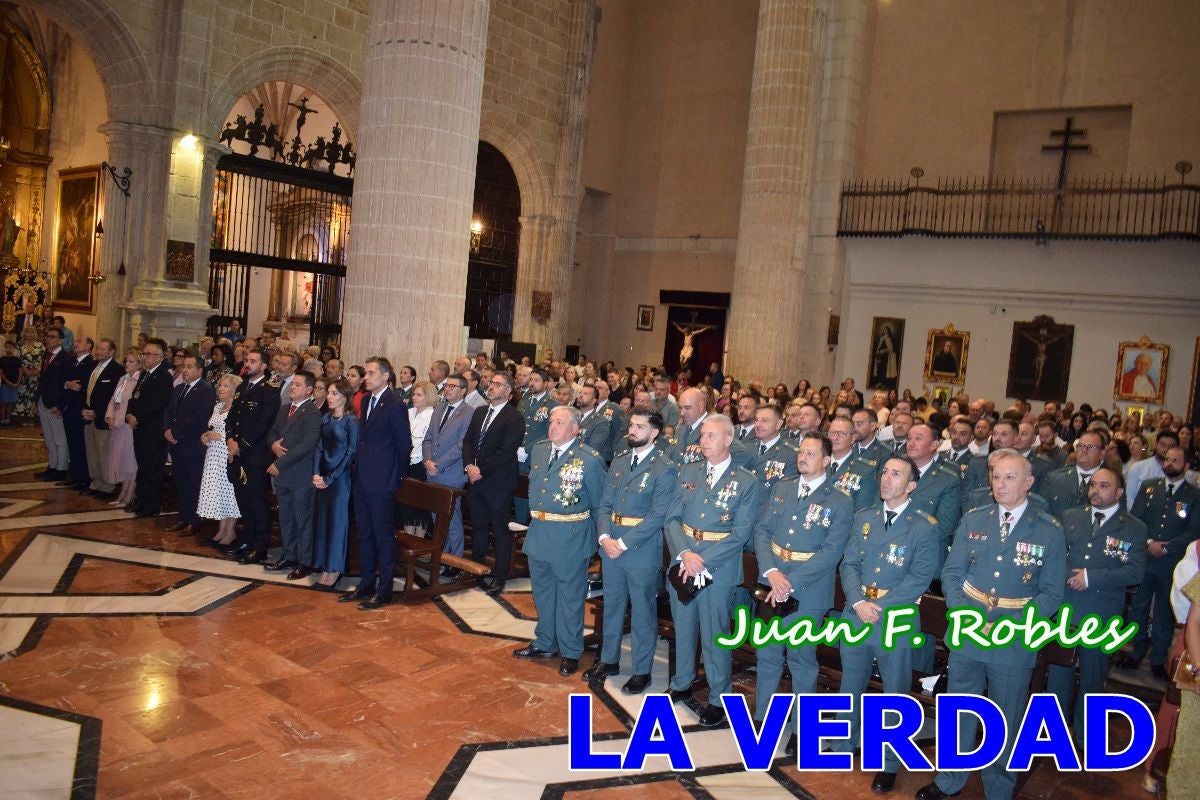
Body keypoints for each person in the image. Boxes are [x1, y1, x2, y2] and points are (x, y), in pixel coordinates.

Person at [918, 449, 1065, 800]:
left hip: (1013, 638)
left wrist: (1014, 625)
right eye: (996, 476)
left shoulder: (1048, 531)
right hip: (968, 632)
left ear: (1029, 483)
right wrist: (963, 613)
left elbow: (1051, 594)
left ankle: (999, 788)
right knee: (960, 708)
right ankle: (950, 779)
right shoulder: (974, 519)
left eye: (1010, 477)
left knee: (1006, 717)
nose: (1001, 483)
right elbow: (952, 573)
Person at [834, 454, 938, 791]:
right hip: (858, 610)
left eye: (896, 475)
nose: (886, 479)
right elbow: (848, 564)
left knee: (895, 691)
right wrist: (858, 601)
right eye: (885, 472)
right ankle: (842, 743)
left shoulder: (923, 526)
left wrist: (876, 605)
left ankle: (891, 762)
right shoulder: (864, 517)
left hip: (894, 615)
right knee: (851, 682)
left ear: (910, 486)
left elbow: (919, 578)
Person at [753, 432, 854, 755]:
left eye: (811, 453)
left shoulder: (840, 500)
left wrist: (790, 581)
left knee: (801, 659)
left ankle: (801, 727)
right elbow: (762, 530)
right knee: (767, 653)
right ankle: (764, 716)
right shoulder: (782, 487)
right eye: (802, 452)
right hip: (772, 582)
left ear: (826, 460)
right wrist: (772, 572)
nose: (803, 457)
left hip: (808, 590)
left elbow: (831, 551)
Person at [664, 413, 761, 727]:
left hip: (717, 567)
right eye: (702, 435)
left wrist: (700, 560)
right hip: (684, 560)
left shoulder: (746, 481)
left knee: (714, 634)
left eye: (710, 436)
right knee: (684, 626)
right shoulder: (688, 471)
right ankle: (681, 682)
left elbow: (741, 533)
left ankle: (719, 696)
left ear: (728, 439)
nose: (702, 441)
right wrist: (684, 553)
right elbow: (672, 519)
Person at [1047, 466, 1146, 743]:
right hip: (1067, 607)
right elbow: (1054, 556)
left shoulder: (1134, 528)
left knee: (1092, 676)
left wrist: (1091, 577)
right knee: (1059, 673)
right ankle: (1054, 732)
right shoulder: (1070, 517)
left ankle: (1085, 736)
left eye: (1104, 486)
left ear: (1119, 493)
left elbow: (1135, 572)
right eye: (1092, 485)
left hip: (1102, 610)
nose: (1095, 491)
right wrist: (1071, 575)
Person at [584, 410, 677, 694]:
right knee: (612, 605)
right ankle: (609, 659)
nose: (632, 430)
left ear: (655, 433)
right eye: (632, 425)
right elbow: (604, 504)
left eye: (640, 426)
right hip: (611, 542)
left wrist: (621, 543)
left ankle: (641, 670)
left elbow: (658, 515)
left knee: (642, 612)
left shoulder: (664, 467)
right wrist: (604, 536)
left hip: (640, 549)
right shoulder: (621, 461)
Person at [513, 406, 606, 678]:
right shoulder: (541, 450)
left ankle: (571, 651)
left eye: (560, 422)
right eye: (552, 421)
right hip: (540, 532)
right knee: (542, 594)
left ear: (576, 429)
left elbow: (600, 503)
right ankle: (545, 642)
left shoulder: (589, 460)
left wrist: (598, 540)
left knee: (570, 599)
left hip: (570, 537)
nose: (553, 427)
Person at [1118, 446, 1200, 678]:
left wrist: (1167, 546)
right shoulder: (1149, 487)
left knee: (1165, 610)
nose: (1170, 463)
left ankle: (1158, 659)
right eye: (1167, 459)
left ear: (1186, 466)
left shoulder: (1193, 496)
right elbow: (1136, 518)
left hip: (1171, 562)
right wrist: (1148, 542)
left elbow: (1194, 529)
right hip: (1145, 557)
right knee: (1139, 606)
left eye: (1176, 460)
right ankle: (1134, 651)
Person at [340, 357, 409, 610]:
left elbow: (404, 445)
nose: (366, 378)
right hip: (363, 478)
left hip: (383, 481)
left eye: (370, 373)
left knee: (382, 536)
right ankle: (366, 584)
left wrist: (396, 478)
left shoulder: (395, 405)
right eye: (365, 373)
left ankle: (384, 591)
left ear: (385, 376)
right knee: (365, 534)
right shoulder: (367, 400)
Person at [463, 372, 524, 595]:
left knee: (499, 530)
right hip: (476, 479)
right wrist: (469, 466)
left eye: (497, 384)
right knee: (478, 527)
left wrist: (481, 470)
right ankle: (477, 569)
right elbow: (468, 441)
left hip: (498, 482)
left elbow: (506, 451)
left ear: (508, 391)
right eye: (491, 383)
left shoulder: (514, 417)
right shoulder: (480, 412)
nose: (491, 387)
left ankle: (500, 576)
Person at [223, 348, 282, 563]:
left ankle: (260, 546)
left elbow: (264, 424)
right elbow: (231, 417)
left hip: (255, 454)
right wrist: (230, 439)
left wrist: (241, 445)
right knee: (243, 499)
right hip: (237, 452)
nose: (248, 364)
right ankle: (247, 540)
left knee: (256, 501)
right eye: (247, 361)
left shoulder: (270, 391)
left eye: (253, 361)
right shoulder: (243, 387)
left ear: (264, 366)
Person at [265, 370, 322, 579]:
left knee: (303, 519)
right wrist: (273, 445)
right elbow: (271, 432)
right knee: (286, 517)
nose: (292, 387)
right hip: (284, 474)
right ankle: (289, 554)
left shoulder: (312, 412)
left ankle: (305, 561)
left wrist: (279, 462)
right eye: (292, 384)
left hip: (300, 474)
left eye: (297, 384)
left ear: (309, 390)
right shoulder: (285, 409)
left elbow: (307, 445)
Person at [162, 353, 216, 536]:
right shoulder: (179, 389)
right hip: (177, 444)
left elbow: (198, 418)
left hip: (193, 445)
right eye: (184, 366)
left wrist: (176, 433)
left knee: (193, 485)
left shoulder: (205, 390)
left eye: (190, 366)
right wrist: (167, 429)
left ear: (200, 370)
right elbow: (168, 411)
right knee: (181, 484)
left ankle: (194, 521)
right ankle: (183, 517)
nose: (185, 370)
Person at [312, 379, 359, 590]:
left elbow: (351, 453)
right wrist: (316, 474)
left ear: (344, 396)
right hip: (323, 478)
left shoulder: (351, 421)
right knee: (323, 522)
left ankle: (335, 569)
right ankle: (324, 566)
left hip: (341, 481)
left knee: (338, 524)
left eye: (333, 393)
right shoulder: (326, 418)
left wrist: (330, 478)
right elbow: (319, 448)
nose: (328, 397)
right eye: (328, 393)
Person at [421, 373, 473, 563]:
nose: (448, 389)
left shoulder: (469, 412)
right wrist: (427, 460)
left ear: (463, 391)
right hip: (432, 470)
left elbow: (461, 445)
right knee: (437, 518)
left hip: (451, 473)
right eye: (447, 386)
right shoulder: (439, 408)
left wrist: (439, 464)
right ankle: (442, 555)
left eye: (453, 386)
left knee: (452, 519)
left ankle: (455, 559)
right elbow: (428, 438)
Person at [125, 338, 175, 517]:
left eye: (147, 354)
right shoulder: (145, 374)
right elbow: (134, 398)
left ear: (158, 357)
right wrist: (129, 414)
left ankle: (151, 505)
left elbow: (158, 404)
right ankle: (141, 501)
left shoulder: (164, 376)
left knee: (152, 469)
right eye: (143, 354)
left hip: (153, 431)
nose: (144, 357)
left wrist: (139, 418)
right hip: (140, 428)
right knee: (143, 467)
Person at [197, 373, 242, 549]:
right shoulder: (218, 407)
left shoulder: (236, 409)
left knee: (229, 494)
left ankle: (230, 532)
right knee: (218, 493)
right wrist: (206, 435)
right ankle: (221, 530)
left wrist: (220, 436)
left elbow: (237, 434)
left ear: (234, 390)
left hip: (226, 454)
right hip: (213, 455)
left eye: (225, 386)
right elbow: (212, 428)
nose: (220, 388)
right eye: (220, 385)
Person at [81, 339, 123, 498]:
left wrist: (97, 412)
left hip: (103, 419)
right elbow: (86, 390)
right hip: (88, 417)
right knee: (91, 452)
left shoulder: (116, 370)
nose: (98, 351)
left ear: (112, 352)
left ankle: (108, 485)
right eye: (97, 348)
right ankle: (96, 482)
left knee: (104, 453)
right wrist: (84, 408)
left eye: (102, 349)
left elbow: (113, 397)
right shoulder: (93, 366)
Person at [103, 348, 141, 508]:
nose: (127, 364)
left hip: (127, 427)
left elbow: (133, 405)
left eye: (131, 362)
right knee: (119, 459)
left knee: (130, 462)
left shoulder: (138, 380)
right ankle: (122, 492)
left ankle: (129, 494)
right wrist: (109, 416)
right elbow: (113, 399)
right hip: (117, 425)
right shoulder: (122, 379)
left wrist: (122, 419)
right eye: (126, 361)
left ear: (139, 364)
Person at [401, 380, 437, 535]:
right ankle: (408, 537)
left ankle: (420, 539)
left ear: (428, 397)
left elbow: (428, 441)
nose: (414, 397)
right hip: (405, 461)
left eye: (419, 395)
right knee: (406, 502)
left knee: (419, 503)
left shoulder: (432, 415)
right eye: (414, 394)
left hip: (420, 463)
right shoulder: (408, 413)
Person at [33, 328, 69, 481]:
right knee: (48, 437)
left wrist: (59, 405)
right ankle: (52, 466)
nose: (49, 339)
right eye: (47, 337)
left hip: (54, 404)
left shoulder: (65, 358)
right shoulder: (46, 356)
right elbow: (42, 380)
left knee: (59, 437)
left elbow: (63, 384)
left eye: (52, 337)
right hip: (43, 400)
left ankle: (61, 469)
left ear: (60, 340)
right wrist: (36, 401)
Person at [15, 327, 44, 424]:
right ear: (24, 333)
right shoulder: (19, 345)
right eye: (28, 332)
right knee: (22, 393)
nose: (30, 334)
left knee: (33, 394)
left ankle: (31, 415)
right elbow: (18, 359)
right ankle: (20, 415)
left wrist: (39, 369)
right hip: (23, 373)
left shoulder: (40, 345)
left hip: (36, 373)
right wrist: (25, 370)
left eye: (32, 332)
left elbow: (43, 359)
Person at [0, 339, 20, 426]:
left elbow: (20, 372)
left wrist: (17, 383)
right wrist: (8, 382)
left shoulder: (17, 359)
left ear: (14, 349)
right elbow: (1, 373)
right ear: (4, 348)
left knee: (10, 403)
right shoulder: (2, 359)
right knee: (4, 403)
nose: (8, 349)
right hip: (5, 385)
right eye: (6, 347)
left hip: (15, 385)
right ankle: (2, 420)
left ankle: (8, 420)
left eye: (10, 347)